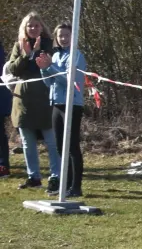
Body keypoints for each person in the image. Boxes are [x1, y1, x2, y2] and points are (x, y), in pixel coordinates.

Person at [4, 13, 58, 190]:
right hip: (23, 101)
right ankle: (33, 177)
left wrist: (36, 53)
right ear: (25, 28)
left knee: (51, 141)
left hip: (46, 99)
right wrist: (26, 54)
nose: (33, 29)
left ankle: (56, 177)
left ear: (42, 27)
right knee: (27, 142)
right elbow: (13, 69)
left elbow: (48, 68)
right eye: (30, 26)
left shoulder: (50, 45)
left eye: (36, 25)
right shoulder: (18, 46)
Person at [45, 23, 87, 198]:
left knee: (72, 147)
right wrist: (44, 68)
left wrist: (51, 67)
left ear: (73, 36)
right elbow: (49, 82)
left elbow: (70, 82)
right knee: (60, 147)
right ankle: (65, 185)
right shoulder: (55, 56)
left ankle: (76, 187)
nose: (63, 39)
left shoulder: (76, 56)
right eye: (60, 35)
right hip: (56, 103)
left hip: (72, 104)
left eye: (66, 35)